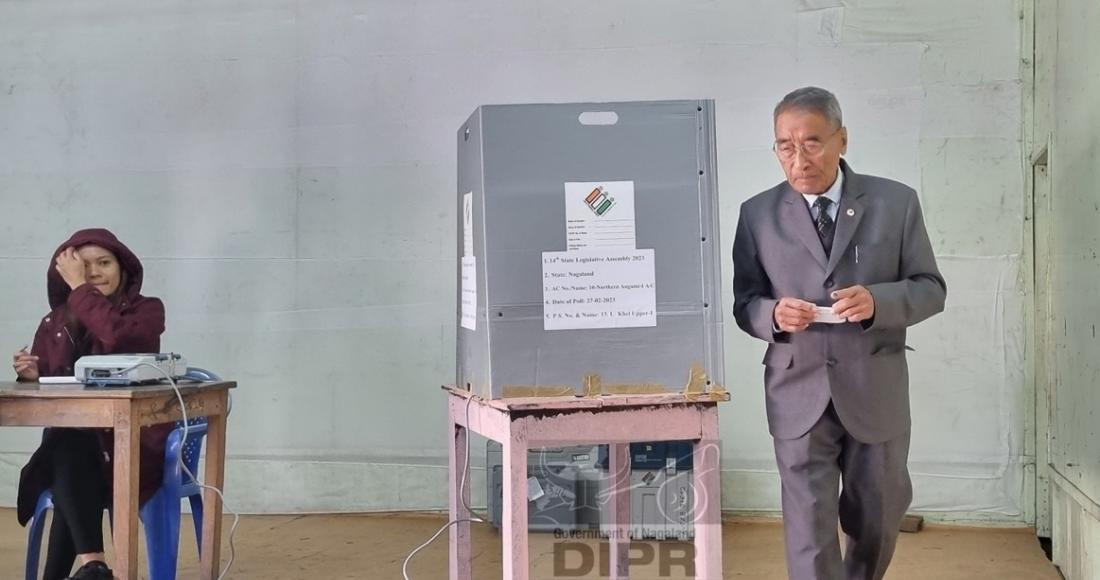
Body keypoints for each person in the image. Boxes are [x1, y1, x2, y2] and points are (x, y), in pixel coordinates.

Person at [732, 87, 947, 579]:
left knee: (878, 516)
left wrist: (879, 301)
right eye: (785, 145)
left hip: (875, 387)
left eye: (812, 141)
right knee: (808, 527)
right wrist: (772, 315)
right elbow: (746, 303)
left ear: (842, 140)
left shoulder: (896, 203)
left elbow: (930, 288)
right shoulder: (756, 214)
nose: (798, 157)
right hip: (797, 387)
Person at [11, 228, 168, 580]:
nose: (93, 272)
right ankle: (93, 567)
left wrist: (80, 290)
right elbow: (58, 384)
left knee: (68, 448)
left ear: (123, 268)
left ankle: (90, 569)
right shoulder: (54, 322)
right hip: (77, 453)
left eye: (103, 263)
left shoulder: (147, 311)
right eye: (83, 266)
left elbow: (115, 336)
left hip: (131, 450)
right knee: (70, 444)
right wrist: (34, 373)